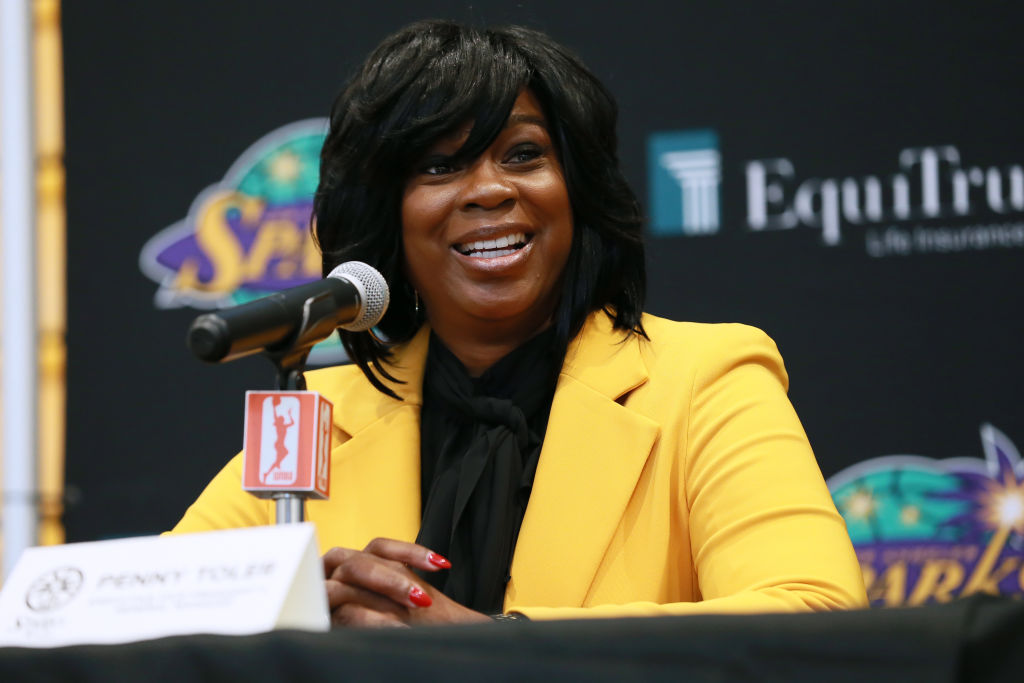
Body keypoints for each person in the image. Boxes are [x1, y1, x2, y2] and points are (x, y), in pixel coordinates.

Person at [171, 20, 868, 626]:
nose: (488, 189)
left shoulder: (706, 380)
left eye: (524, 154)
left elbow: (814, 610)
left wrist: (486, 646)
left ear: (578, 188)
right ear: (388, 212)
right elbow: (147, 619)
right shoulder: (316, 419)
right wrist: (295, 626)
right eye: (440, 165)